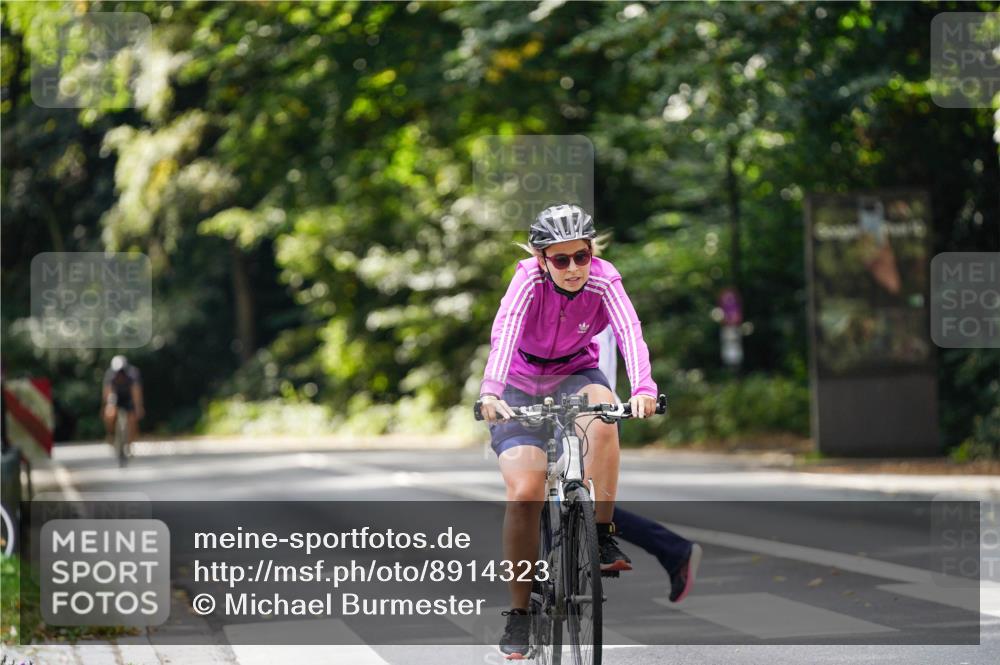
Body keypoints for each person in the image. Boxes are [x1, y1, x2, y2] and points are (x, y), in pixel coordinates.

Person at [479, 203, 657, 658]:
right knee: (525, 492)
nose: (574, 268)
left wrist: (642, 387)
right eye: (561, 260)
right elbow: (505, 332)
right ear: (542, 260)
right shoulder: (527, 280)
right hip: (518, 385)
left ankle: (599, 534)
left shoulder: (603, 277)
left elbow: (629, 332)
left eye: (581, 256)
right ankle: (519, 616)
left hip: (576, 373)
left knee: (604, 418)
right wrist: (491, 393)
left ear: (590, 252)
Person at [595, 324, 703, 606]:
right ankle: (673, 550)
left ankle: (673, 550)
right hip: (574, 409)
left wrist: (644, 389)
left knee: (579, 503)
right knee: (564, 502)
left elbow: (628, 339)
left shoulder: (594, 290)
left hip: (596, 413)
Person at [102, 355, 144, 452]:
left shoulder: (132, 374)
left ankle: (130, 443)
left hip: (129, 397)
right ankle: (111, 434)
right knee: (109, 414)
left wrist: (138, 407)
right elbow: (107, 391)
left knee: (132, 419)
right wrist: (107, 406)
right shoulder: (110, 374)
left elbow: (136, 391)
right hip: (116, 396)